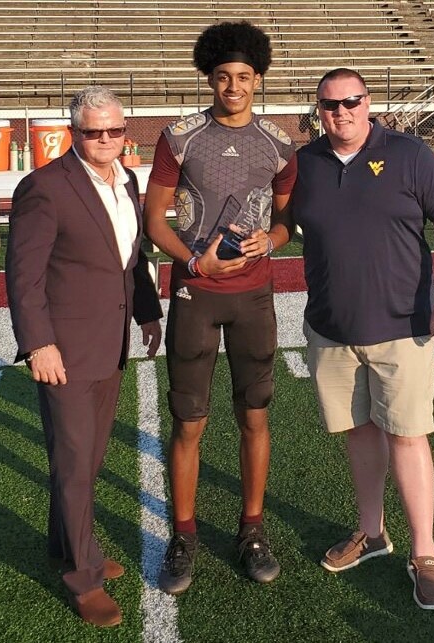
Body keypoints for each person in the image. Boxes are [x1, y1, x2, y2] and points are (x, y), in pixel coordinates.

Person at [291, 68, 434, 610]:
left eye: (351, 101)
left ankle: (425, 552)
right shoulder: (305, 164)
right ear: (317, 109)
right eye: (329, 104)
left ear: (368, 102)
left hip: (402, 326)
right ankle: (371, 532)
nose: (340, 111)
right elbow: (278, 224)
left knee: (409, 437)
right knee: (360, 432)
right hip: (331, 328)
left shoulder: (410, 154)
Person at [142, 21, 297, 595]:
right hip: (195, 294)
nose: (234, 85)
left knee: (255, 416)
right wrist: (196, 263)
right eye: (224, 76)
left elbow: (287, 220)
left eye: (244, 77)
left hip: (253, 296)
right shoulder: (179, 137)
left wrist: (271, 241)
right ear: (209, 77)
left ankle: (251, 529)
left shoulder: (279, 144)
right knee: (189, 422)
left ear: (259, 79)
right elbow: (154, 220)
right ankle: (183, 534)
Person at [5, 86, 163, 627]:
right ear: (74, 133)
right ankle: (83, 577)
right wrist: (37, 343)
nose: (104, 140)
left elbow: (132, 259)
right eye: (92, 131)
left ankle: (64, 547)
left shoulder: (129, 179)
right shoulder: (44, 188)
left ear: (126, 131)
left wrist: (148, 312)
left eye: (114, 131)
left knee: (87, 460)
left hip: (110, 342)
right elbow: (23, 276)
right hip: (65, 351)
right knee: (75, 464)